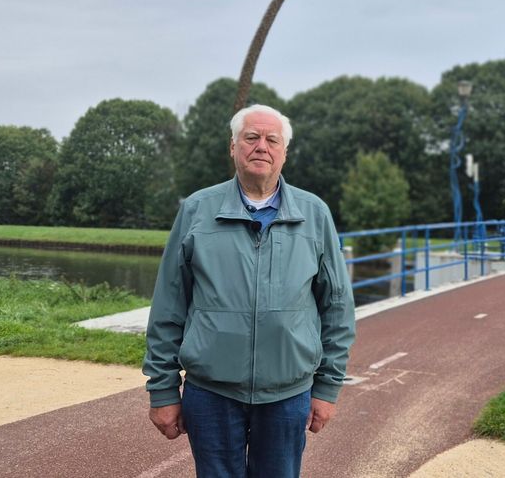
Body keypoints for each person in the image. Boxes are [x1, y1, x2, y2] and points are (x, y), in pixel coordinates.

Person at [143, 104, 356, 478]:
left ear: (284, 152)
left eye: (272, 140)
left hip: (288, 394)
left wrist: (327, 387)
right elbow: (168, 305)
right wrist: (162, 390)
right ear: (233, 147)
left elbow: (336, 308)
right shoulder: (197, 210)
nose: (261, 146)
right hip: (210, 393)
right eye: (251, 137)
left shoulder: (314, 214)